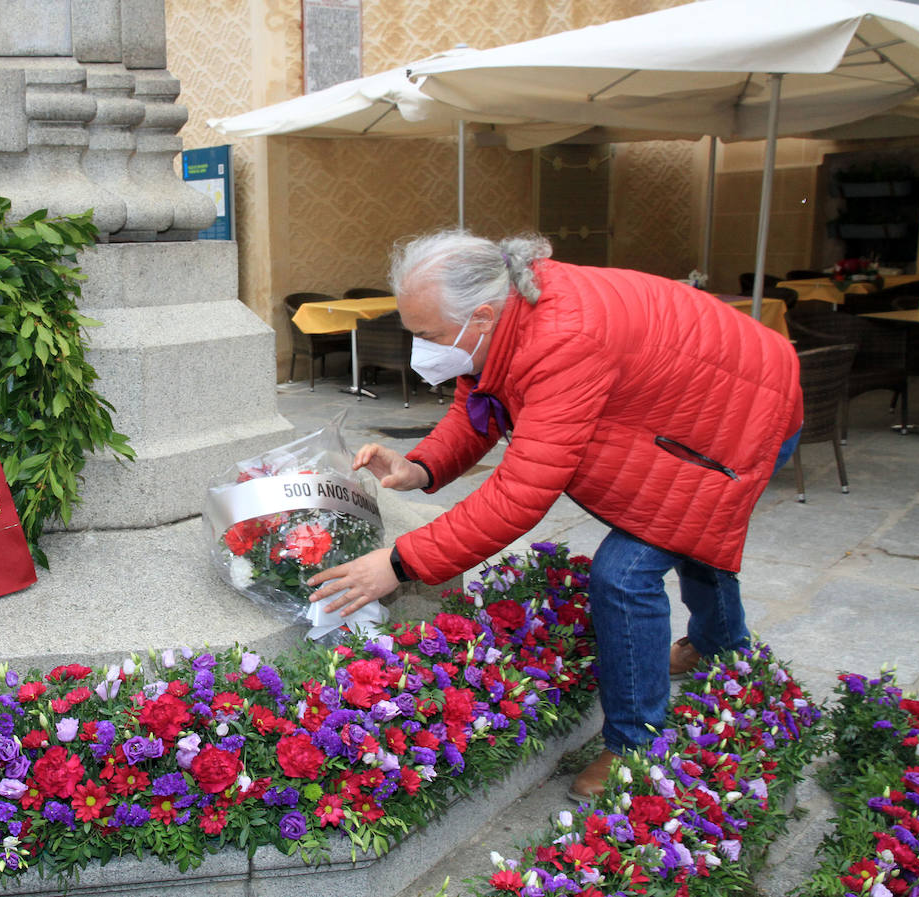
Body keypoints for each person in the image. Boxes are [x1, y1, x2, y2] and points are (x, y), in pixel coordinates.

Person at [307, 230, 802, 801]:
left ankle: (633, 747)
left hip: (743, 416)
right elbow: (482, 400)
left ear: (484, 315)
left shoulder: (565, 337)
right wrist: (421, 467)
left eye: (428, 335)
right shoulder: (507, 317)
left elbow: (521, 492)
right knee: (692, 538)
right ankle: (721, 646)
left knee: (627, 572)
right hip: (698, 404)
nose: (423, 349)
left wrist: (400, 562)